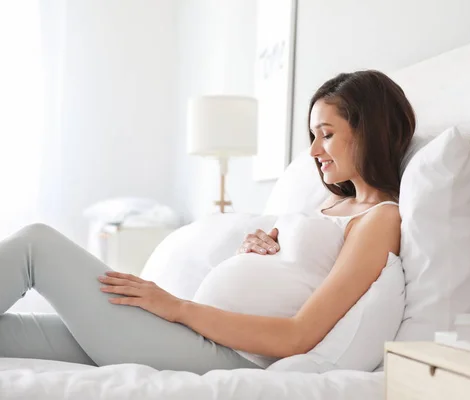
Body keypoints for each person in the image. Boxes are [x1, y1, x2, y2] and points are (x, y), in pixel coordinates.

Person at [0, 70, 416, 375]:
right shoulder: (330, 205)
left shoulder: (380, 218)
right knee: (9, 335)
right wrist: (253, 255)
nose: (313, 151)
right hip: (191, 337)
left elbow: (298, 335)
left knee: (37, 246)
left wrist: (176, 307)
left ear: (369, 132)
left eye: (325, 134)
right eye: (312, 136)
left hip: (224, 354)